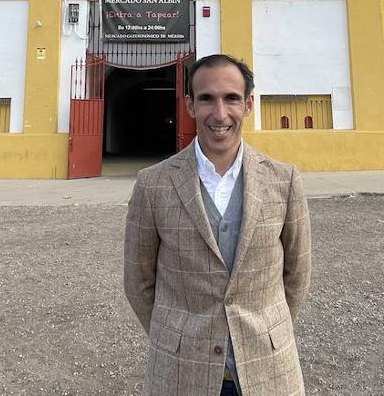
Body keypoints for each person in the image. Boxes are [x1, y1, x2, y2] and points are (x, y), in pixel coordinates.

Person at [123, 53, 312, 396]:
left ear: (249, 104)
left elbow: (296, 275)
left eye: (232, 98)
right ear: (190, 105)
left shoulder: (283, 181)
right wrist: (175, 336)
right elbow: (138, 281)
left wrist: (268, 330)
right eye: (207, 98)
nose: (220, 114)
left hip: (267, 367)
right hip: (181, 372)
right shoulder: (153, 185)